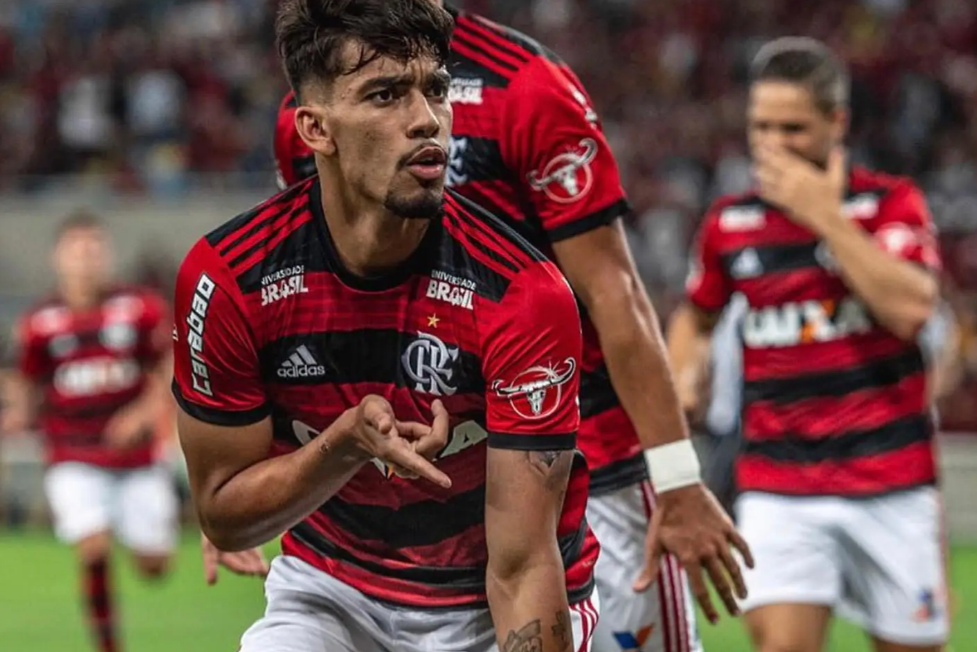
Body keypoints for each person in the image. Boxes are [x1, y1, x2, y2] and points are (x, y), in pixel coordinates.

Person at [272, 3, 753, 649]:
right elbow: (312, 295)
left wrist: (675, 476)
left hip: (578, 450)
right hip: (424, 477)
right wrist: (254, 488)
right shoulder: (317, 108)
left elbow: (613, 290)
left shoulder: (526, 86)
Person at [174, 1, 601, 650]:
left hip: (483, 602)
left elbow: (521, 569)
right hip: (330, 591)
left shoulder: (523, 293)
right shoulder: (229, 279)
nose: (426, 119)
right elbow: (225, 518)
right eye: (385, 95)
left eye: (435, 89)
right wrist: (344, 445)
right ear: (315, 129)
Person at [667, 37, 948, 652]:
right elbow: (696, 316)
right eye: (761, 128)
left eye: (792, 128)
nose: (774, 144)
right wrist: (685, 370)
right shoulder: (730, 224)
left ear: (836, 123)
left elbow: (909, 310)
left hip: (891, 481)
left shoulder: (889, 203)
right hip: (780, 484)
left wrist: (824, 216)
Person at [0, 212, 178, 652]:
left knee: (155, 566)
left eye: (94, 247)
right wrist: (16, 416)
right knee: (93, 548)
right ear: (58, 257)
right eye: (77, 249)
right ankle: (108, 646)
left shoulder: (140, 307)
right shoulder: (39, 322)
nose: (86, 257)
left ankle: (135, 532)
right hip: (72, 453)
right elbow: (28, 387)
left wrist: (144, 412)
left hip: (136, 458)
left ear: (107, 253)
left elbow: (170, 367)